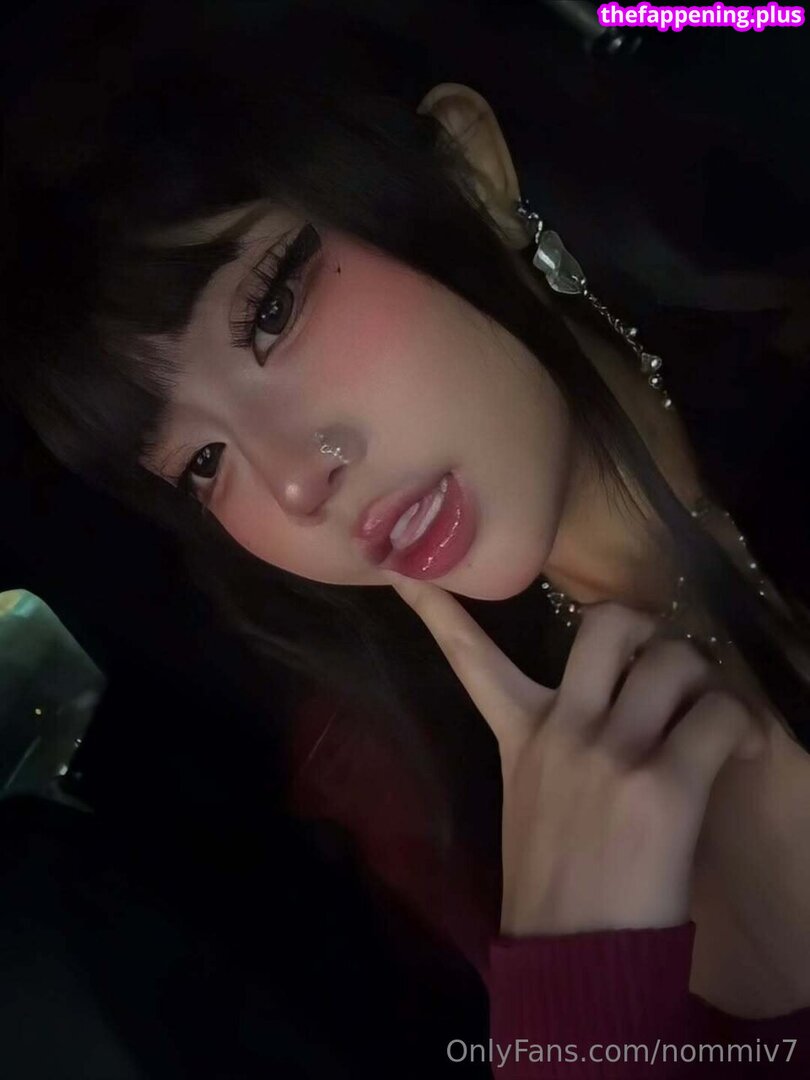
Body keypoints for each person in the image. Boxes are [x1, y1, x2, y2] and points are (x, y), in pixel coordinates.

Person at [3, 2, 810, 1075]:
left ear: (468, 173)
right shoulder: (438, 809)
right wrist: (575, 991)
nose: (295, 484)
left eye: (271, 310)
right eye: (202, 464)